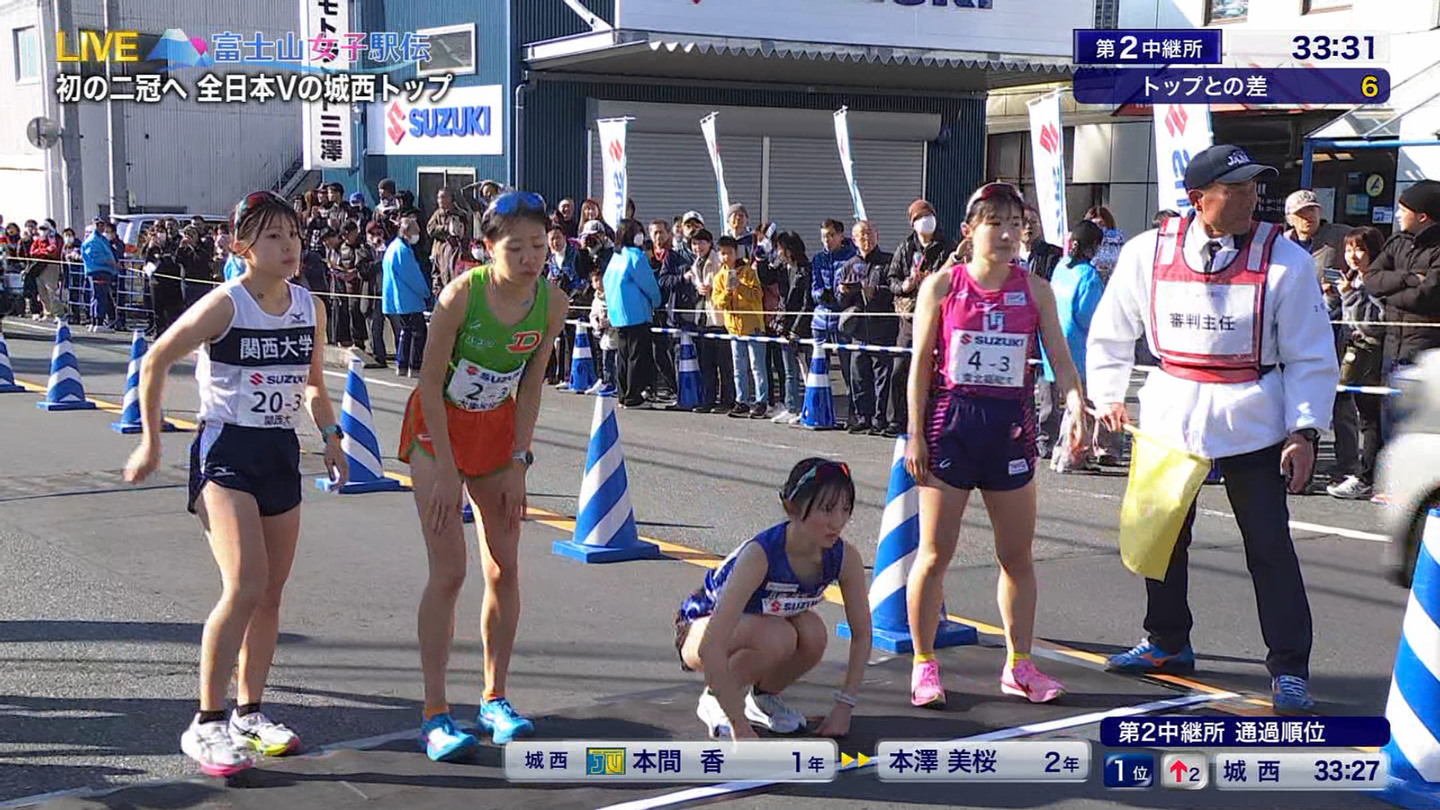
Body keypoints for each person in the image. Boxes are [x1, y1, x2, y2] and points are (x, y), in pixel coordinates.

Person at [1088, 145, 1338, 714]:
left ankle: (1290, 668)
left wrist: (1304, 431)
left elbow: (1310, 354)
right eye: (1237, 189)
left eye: (1254, 188)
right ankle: (1166, 640)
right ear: (1198, 198)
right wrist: (1107, 396)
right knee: (1161, 536)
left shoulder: (1286, 262)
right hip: (1171, 412)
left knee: (1269, 547)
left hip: (1253, 418)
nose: (1252, 198)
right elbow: (1112, 329)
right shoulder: (1147, 252)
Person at [122, 190, 347, 776]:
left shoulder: (309, 306)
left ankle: (249, 713)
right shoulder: (226, 304)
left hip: (279, 450)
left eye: (293, 234)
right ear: (241, 246)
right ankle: (206, 722)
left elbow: (315, 383)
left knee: (271, 593)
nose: (288, 246)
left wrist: (332, 436)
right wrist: (151, 441)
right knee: (245, 583)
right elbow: (157, 359)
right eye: (272, 237)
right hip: (226, 451)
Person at [398, 190, 567, 760]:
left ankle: (495, 698)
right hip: (437, 431)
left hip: (496, 434)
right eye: (515, 247)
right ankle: (435, 713)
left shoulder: (552, 302)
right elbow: (428, 383)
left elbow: (531, 384)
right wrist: (447, 471)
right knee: (449, 571)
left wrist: (520, 460)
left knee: (505, 566)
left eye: (539, 245)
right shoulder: (460, 296)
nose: (529, 257)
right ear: (488, 247)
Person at [903, 182, 1085, 709]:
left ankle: (1019, 664)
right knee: (934, 554)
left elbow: (1060, 360)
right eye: (995, 223)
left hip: (1010, 429)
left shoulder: (1036, 290)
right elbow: (919, 366)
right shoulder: (941, 286)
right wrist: (915, 433)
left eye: (1016, 225)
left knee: (1016, 556)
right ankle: (924, 663)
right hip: (952, 426)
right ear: (969, 230)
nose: (1007, 235)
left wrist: (1076, 404)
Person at [675, 458, 871, 739]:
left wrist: (844, 707)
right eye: (827, 509)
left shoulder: (844, 557)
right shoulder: (761, 555)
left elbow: (862, 634)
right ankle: (717, 699)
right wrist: (739, 726)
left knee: (814, 632)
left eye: (845, 509)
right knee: (778, 636)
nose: (838, 521)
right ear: (792, 508)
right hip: (700, 629)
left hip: (762, 624)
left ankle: (763, 698)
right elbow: (712, 643)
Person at [1038, 220, 1108, 466]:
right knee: (1079, 403)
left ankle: (1059, 451)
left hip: (1052, 338)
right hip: (1079, 345)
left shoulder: (1061, 267)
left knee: (1059, 401)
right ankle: (1072, 454)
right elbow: (1089, 315)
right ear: (1093, 246)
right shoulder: (1088, 275)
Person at [1328, 226, 1387, 500]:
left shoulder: (1377, 281)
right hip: (1352, 351)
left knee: (1371, 418)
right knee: (1359, 413)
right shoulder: (1352, 278)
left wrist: (1350, 295)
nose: (1353, 256)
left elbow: (1374, 324)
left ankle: (1367, 476)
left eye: (1360, 249)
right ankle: (1359, 471)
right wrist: (1334, 296)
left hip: (1371, 354)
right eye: (1349, 249)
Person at [1366, 180, 1440, 369]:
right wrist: (1410, 279)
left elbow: (1425, 296)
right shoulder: (1397, 242)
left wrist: (1386, 296)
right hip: (1391, 347)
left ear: (1422, 217)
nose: (1397, 215)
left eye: (1403, 210)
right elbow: (1371, 279)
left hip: (1427, 353)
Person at [604, 219, 661, 408]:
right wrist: (657, 300)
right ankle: (633, 397)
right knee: (637, 356)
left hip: (618, 315)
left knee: (623, 355)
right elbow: (649, 284)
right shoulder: (636, 255)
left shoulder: (616, 256)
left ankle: (623, 395)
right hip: (637, 313)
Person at [711, 235, 769, 419]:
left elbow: (757, 295)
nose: (726, 257)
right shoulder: (719, 277)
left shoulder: (748, 272)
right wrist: (728, 292)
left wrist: (740, 286)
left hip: (753, 327)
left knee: (757, 366)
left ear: (736, 253)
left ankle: (762, 401)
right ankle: (741, 400)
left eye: (729, 253)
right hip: (734, 328)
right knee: (738, 367)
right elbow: (718, 302)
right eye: (722, 253)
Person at [812, 220, 859, 408]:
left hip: (843, 319)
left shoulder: (851, 257)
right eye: (824, 236)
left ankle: (853, 410)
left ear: (841, 236)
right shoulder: (818, 259)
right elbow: (814, 287)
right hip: (821, 318)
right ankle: (820, 409)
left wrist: (843, 294)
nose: (827, 240)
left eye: (831, 235)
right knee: (818, 368)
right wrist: (821, 294)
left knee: (848, 369)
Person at [690, 228, 734, 415]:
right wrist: (697, 286)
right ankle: (708, 400)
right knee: (706, 364)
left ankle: (727, 400)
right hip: (703, 317)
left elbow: (727, 283)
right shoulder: (696, 263)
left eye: (701, 242)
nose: (698, 247)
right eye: (694, 243)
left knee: (724, 364)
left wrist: (712, 288)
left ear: (709, 243)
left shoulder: (717, 261)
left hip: (719, 318)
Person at [383, 216, 432, 378]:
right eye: (415, 231)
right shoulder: (403, 251)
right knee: (418, 332)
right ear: (406, 232)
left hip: (397, 299)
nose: (418, 234)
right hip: (408, 299)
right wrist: (426, 293)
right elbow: (413, 277)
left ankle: (402, 364)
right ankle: (414, 365)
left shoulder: (392, 248)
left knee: (406, 331)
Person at [772, 232, 813, 425]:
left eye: (780, 248)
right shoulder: (781, 268)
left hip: (802, 327)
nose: (778, 252)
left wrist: (796, 329)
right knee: (789, 371)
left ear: (789, 249)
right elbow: (765, 278)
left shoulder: (805, 270)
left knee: (806, 370)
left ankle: (809, 407)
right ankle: (791, 407)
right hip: (784, 324)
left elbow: (807, 303)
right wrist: (761, 257)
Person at [1283, 190, 1350, 278]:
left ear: (1319, 212)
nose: (1308, 215)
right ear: (1289, 219)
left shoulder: (1342, 235)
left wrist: (1350, 283)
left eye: (1312, 210)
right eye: (1301, 212)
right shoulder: (1282, 242)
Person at [82, 219, 120, 332]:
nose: (101, 227)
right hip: (98, 270)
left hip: (102, 271)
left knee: (97, 296)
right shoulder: (93, 240)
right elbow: (97, 257)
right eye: (98, 225)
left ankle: (95, 322)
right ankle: (98, 322)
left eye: (102, 225)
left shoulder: (101, 239)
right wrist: (112, 263)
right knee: (100, 297)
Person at [1019, 207, 1064, 281]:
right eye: (1024, 222)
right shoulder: (1007, 257)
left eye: (1033, 222)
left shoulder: (1055, 254)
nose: (1028, 226)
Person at [1084, 205, 1127, 282]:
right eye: (1094, 225)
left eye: (1101, 224)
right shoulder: (1083, 243)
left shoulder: (1119, 243)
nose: (1098, 228)